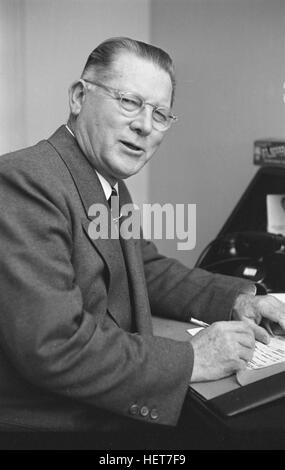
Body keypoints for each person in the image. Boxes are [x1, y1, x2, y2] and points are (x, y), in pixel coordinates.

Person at [0, 37, 284, 443]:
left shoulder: (105, 182)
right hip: (55, 428)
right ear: (80, 96)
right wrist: (192, 358)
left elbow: (143, 268)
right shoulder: (24, 180)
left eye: (161, 114)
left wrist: (240, 299)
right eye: (129, 102)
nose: (145, 125)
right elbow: (55, 346)